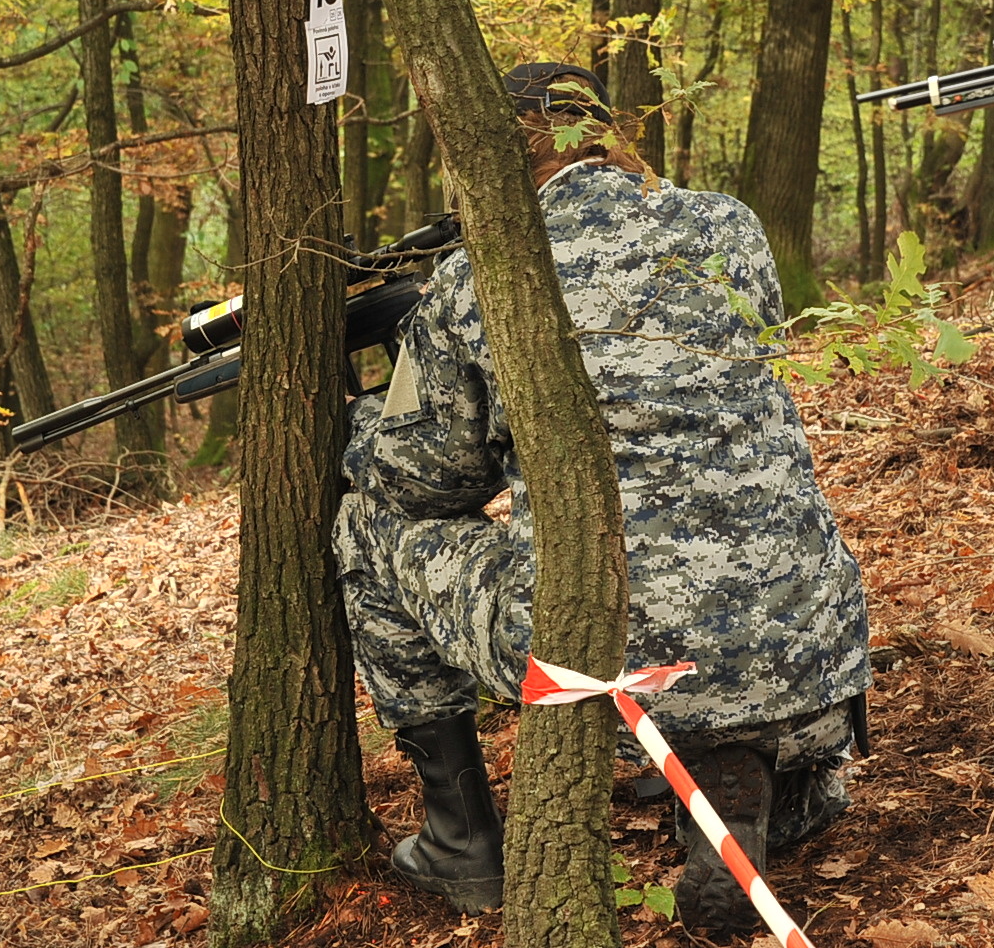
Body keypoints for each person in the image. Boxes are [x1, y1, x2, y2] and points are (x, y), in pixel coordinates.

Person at [333, 62, 870, 933]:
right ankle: (765, 783)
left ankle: (460, 839)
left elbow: (422, 480)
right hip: (808, 648)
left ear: (487, 160)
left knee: (367, 522)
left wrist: (358, 420)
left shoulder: (480, 279)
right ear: (610, 136)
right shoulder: (729, 225)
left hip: (610, 667)